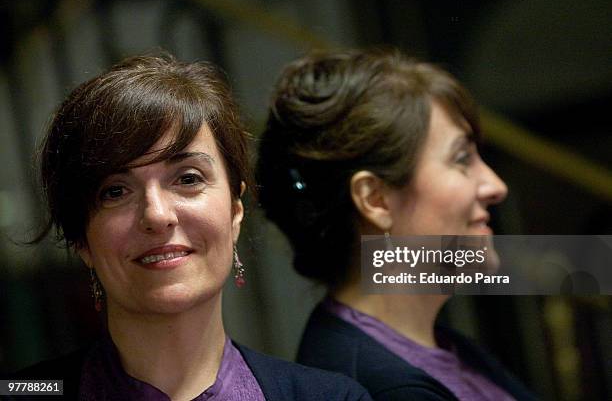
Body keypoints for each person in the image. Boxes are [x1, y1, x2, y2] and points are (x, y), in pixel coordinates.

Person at [11, 53, 372, 401]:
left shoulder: (331, 396)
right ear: (81, 240)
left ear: (235, 210)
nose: (156, 214)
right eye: (115, 191)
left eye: (187, 178)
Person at [257, 49, 537, 400]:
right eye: (462, 159)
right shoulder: (381, 387)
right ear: (375, 200)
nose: (496, 186)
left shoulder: (439, 346)